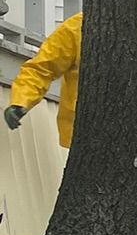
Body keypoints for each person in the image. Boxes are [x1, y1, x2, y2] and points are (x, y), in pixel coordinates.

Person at [5, 11, 82, 146]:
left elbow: (40, 69)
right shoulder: (77, 27)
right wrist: (20, 101)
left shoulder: (77, 26)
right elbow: (41, 69)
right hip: (85, 133)